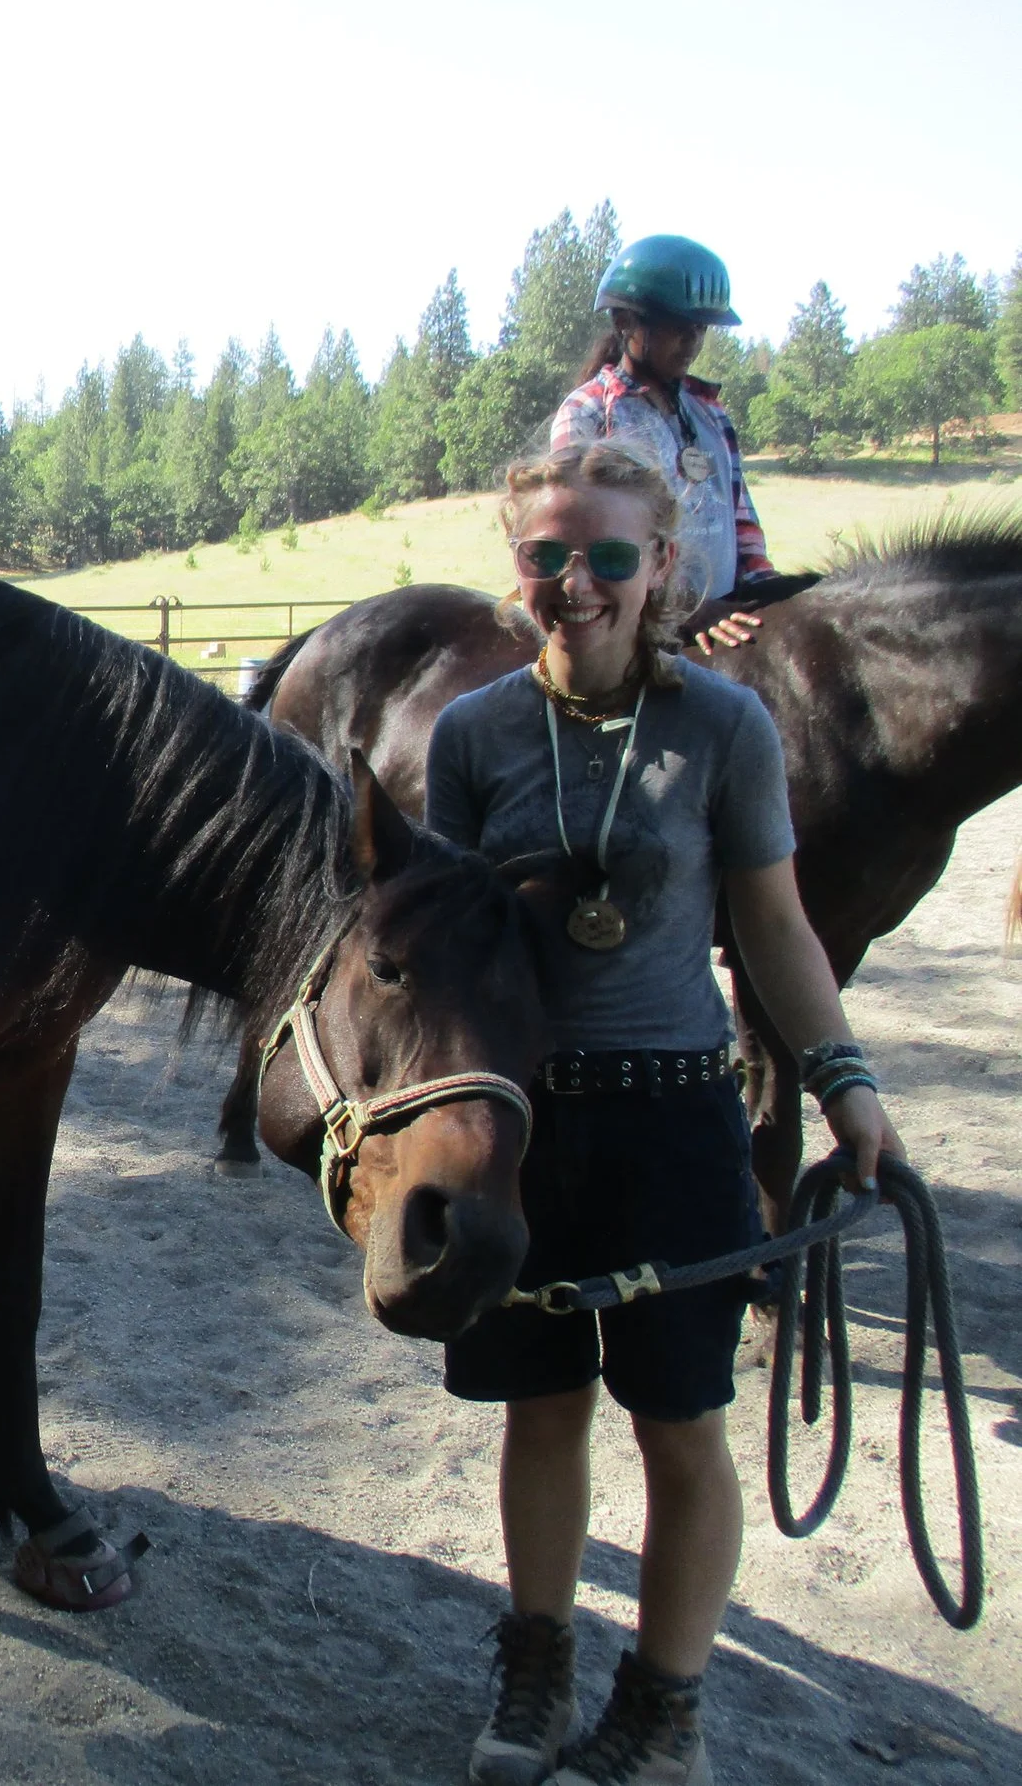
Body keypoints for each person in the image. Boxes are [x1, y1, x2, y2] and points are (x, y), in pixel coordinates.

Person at [426, 441, 903, 1786]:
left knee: (680, 1422)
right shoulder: (473, 735)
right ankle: (538, 1667)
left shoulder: (724, 729)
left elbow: (774, 927)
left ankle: (665, 1709)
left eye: (608, 555)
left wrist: (844, 1078)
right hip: (530, 1131)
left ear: (661, 568)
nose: (574, 581)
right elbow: (446, 947)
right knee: (540, 1408)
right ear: (517, 563)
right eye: (546, 554)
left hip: (676, 1118)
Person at [553, 236, 775, 652]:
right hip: (629, 638)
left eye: (700, 328)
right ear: (625, 323)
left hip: (720, 623)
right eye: (678, 326)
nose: (692, 341)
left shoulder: (710, 413)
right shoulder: (589, 413)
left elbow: (740, 518)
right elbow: (581, 541)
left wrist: (767, 586)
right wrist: (681, 610)